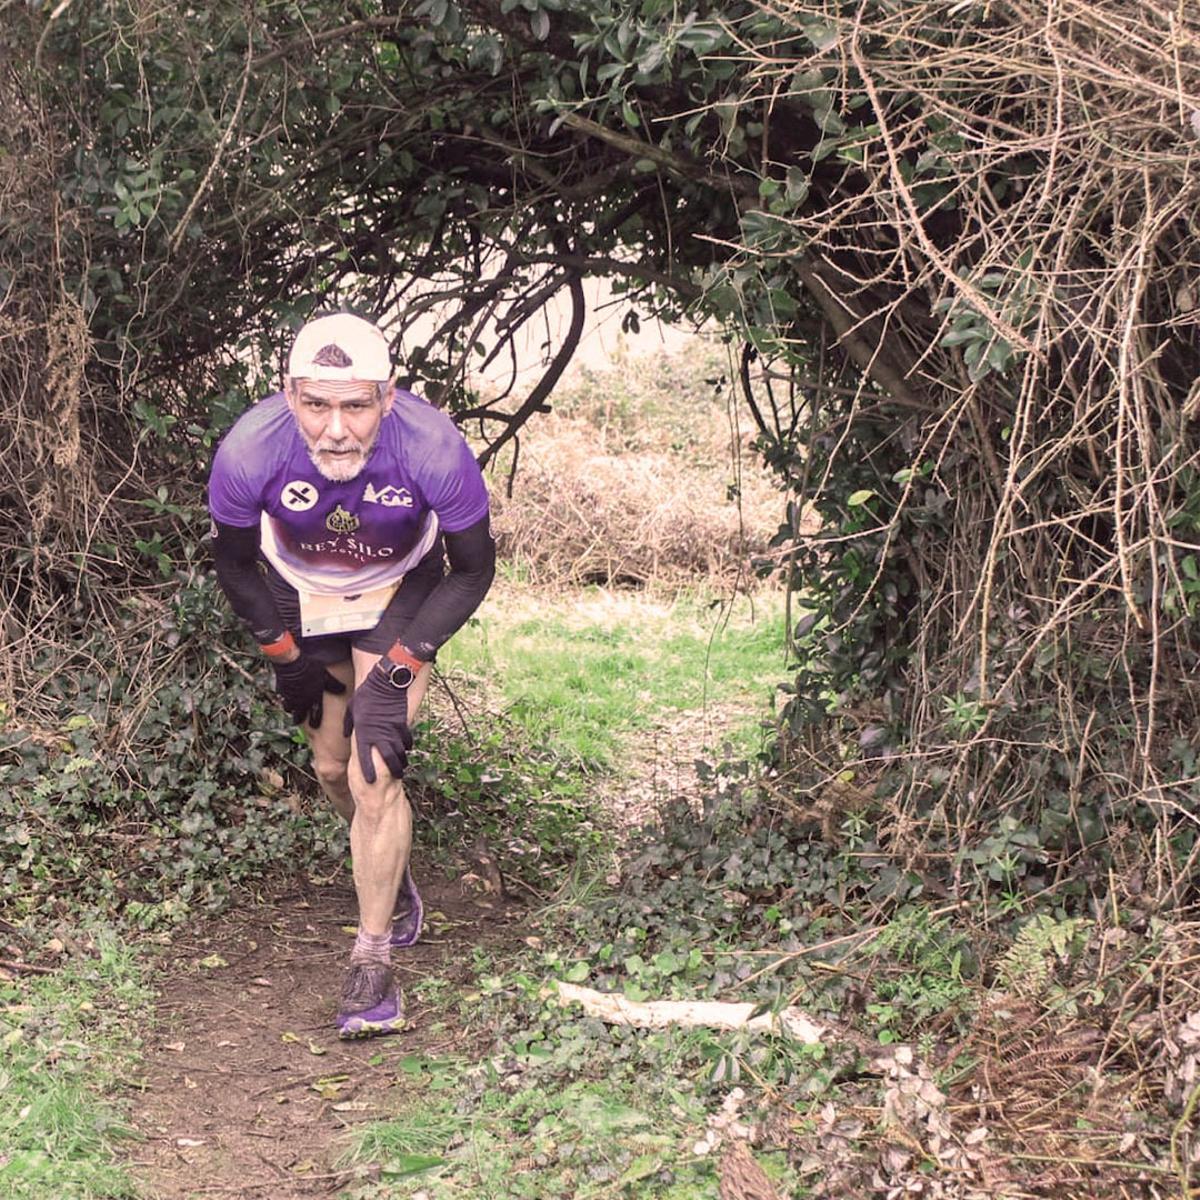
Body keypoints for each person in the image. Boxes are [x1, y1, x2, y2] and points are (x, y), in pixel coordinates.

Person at [207, 312, 494, 1038]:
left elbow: (474, 570)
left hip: (401, 591)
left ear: (388, 399)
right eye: (316, 404)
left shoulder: (433, 448)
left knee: (373, 769)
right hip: (299, 592)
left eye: (356, 405)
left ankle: (373, 967)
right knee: (333, 769)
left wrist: (399, 672)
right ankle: (390, 878)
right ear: (288, 394)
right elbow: (235, 565)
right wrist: (281, 655)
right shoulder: (248, 450)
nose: (335, 428)